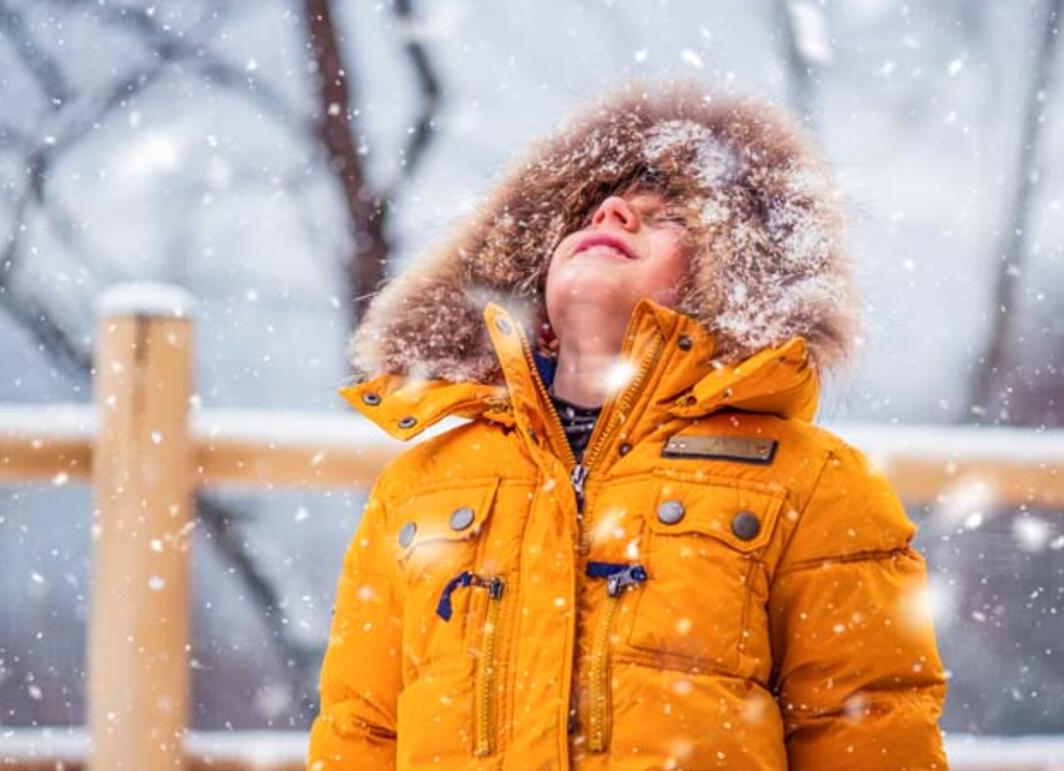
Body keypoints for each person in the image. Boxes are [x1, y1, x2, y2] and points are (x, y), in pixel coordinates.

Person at [307, 78, 949, 769]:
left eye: (665, 214)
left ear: (729, 278)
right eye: (587, 214)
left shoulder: (811, 482)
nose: (611, 213)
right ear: (531, 283)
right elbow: (360, 730)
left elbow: (869, 732)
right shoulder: (418, 487)